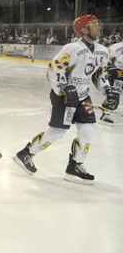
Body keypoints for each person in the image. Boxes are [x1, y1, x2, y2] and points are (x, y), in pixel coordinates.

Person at [12, 15, 118, 184]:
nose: (99, 27)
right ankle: (26, 154)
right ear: (84, 30)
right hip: (64, 97)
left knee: (88, 130)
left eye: (99, 23)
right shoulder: (72, 48)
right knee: (57, 132)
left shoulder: (102, 51)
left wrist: (108, 90)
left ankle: (75, 166)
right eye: (94, 24)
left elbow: (99, 74)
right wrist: (64, 87)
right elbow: (55, 68)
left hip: (84, 96)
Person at [100, 40, 123, 123]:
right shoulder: (115, 47)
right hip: (118, 73)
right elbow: (107, 59)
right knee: (113, 96)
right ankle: (106, 114)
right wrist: (109, 68)